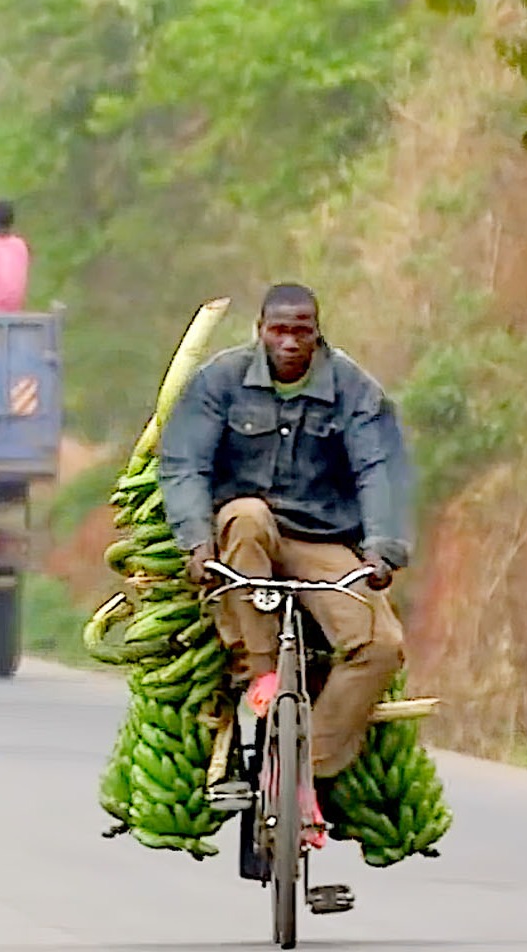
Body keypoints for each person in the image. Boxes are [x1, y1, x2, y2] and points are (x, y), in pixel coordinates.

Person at [159, 283, 412, 846]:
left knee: (380, 646)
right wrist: (196, 541)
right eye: (280, 330)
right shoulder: (221, 383)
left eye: (302, 331)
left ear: (317, 332)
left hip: (323, 538)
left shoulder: (351, 387)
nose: (290, 342)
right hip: (247, 536)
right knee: (245, 516)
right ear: (260, 329)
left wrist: (382, 547)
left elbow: (378, 469)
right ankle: (263, 670)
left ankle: (304, 777)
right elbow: (184, 465)